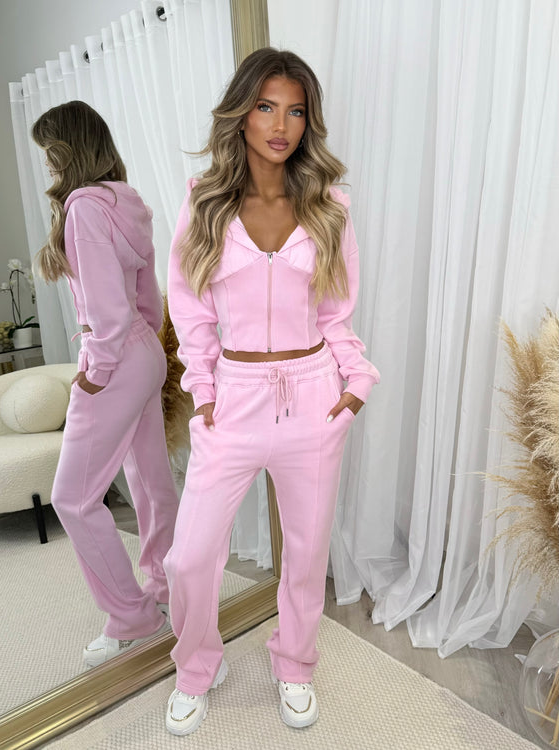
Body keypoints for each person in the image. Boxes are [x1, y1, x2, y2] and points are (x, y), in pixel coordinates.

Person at [165, 48, 380, 735]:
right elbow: (190, 311)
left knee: (307, 551)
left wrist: (354, 385)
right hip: (233, 398)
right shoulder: (205, 203)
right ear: (242, 114)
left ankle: (295, 662)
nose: (280, 125)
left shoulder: (329, 208)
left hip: (312, 394)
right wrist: (204, 394)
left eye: (295, 110)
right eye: (265, 107)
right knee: (190, 555)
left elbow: (336, 312)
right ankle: (198, 666)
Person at [31, 101, 179, 668]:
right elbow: (145, 298)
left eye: (49, 151)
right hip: (145, 350)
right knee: (149, 480)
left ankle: (133, 617)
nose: (46, 163)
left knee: (71, 497)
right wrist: (138, 351)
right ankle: (167, 588)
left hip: (115, 356)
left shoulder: (84, 209)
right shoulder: (126, 200)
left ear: (67, 148)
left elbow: (109, 314)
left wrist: (95, 372)